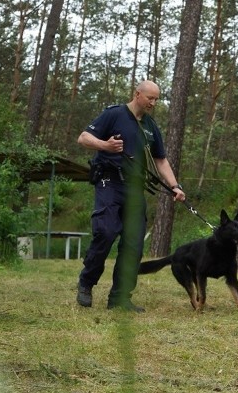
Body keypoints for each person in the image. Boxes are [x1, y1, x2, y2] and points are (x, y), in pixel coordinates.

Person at [75, 80, 185, 312]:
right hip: (109, 182)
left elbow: (161, 160)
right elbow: (83, 138)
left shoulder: (150, 127)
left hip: (135, 189)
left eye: (157, 99)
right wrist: (105, 145)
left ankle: (119, 298)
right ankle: (86, 283)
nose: (154, 103)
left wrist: (175, 186)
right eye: (150, 98)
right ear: (137, 94)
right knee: (105, 232)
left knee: (134, 244)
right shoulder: (115, 114)